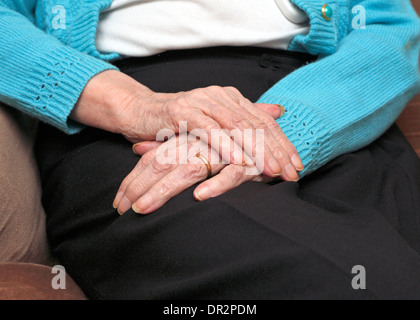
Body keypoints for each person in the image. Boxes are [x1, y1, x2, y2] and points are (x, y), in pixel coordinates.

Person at [1, 0, 420, 299]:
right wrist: (133, 105)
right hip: (126, 119)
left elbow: (389, 30)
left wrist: (275, 131)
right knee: (342, 278)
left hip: (336, 108)